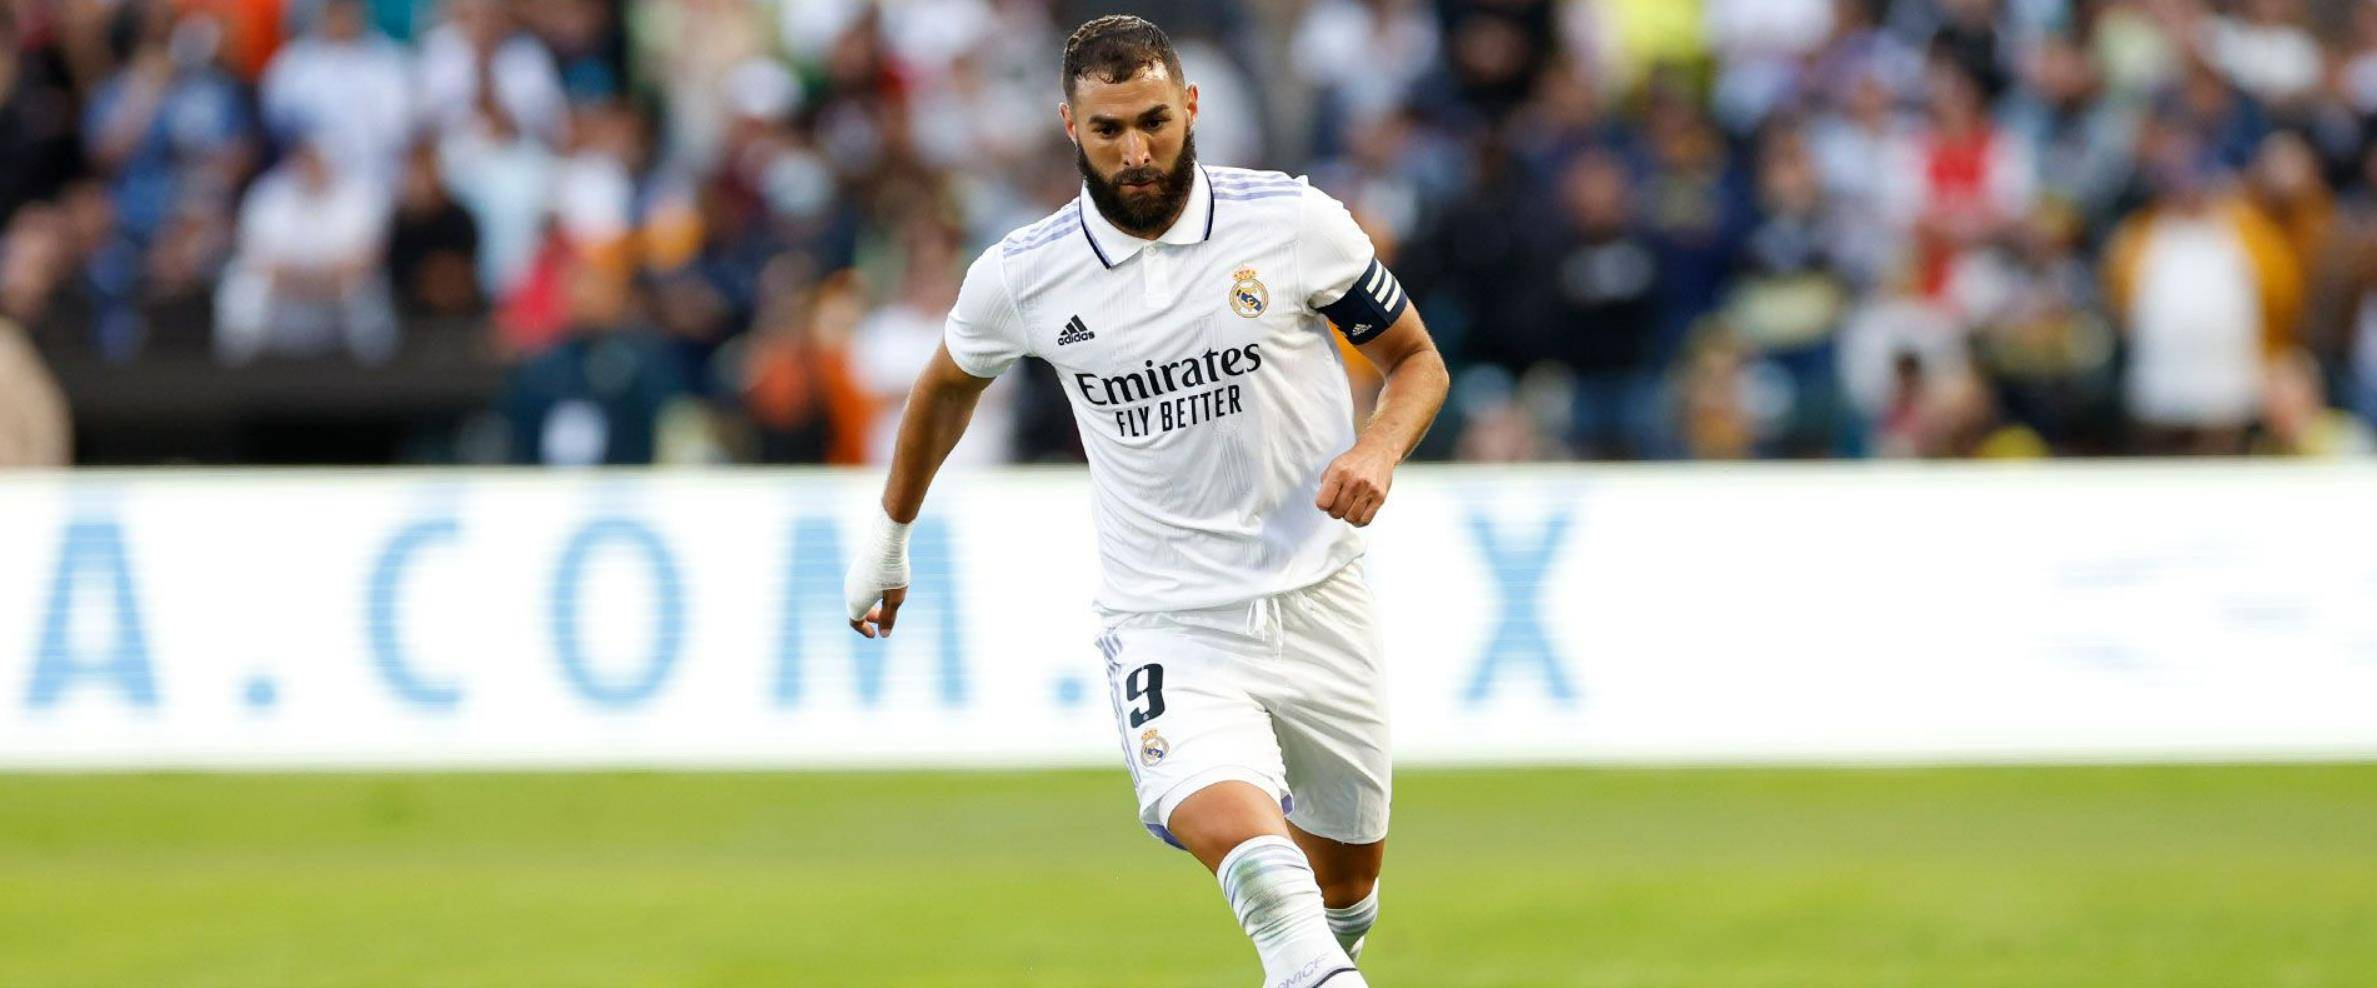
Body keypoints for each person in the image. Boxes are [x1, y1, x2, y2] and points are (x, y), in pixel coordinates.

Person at [841, 16, 1447, 987]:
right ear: (1069, 127)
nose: (1135, 151)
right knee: (1270, 887)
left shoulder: (1292, 223)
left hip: (1319, 596)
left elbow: (1415, 360)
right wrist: (889, 535)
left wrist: (1377, 447)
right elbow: (946, 386)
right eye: (1109, 129)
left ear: (1191, 107)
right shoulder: (1024, 274)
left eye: (1154, 122)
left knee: (1343, 901)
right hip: (1167, 617)